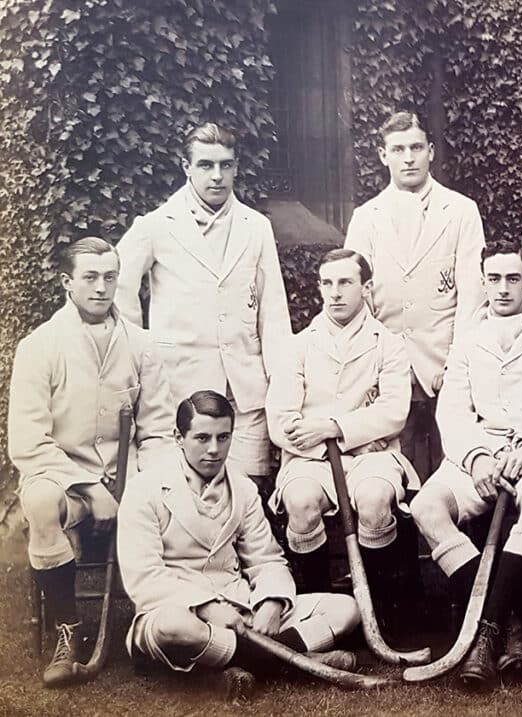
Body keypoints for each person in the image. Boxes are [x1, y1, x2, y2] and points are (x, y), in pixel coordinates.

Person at [411, 240, 522, 688]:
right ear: (483, 282)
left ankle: (483, 637)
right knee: (425, 508)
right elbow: (451, 412)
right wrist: (477, 456)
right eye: (494, 279)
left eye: (513, 278)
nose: (503, 288)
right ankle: (509, 627)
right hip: (480, 454)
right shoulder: (467, 341)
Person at [118, 391, 361, 702]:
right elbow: (144, 578)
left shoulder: (242, 487)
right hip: (178, 608)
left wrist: (272, 603)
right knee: (173, 626)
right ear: (178, 437)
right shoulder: (144, 489)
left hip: (239, 608)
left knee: (346, 609)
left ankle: (229, 666)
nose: (214, 449)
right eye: (202, 438)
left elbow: (266, 559)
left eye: (223, 437)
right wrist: (206, 607)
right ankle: (297, 663)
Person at [8, 237, 175, 687]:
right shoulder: (39, 346)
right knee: (41, 503)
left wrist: (145, 484)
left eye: (110, 277)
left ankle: (165, 627)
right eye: (90, 277)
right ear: (68, 283)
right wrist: (88, 486)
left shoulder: (142, 344)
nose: (101, 287)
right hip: (65, 478)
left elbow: (158, 429)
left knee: (173, 495)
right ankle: (68, 631)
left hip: (131, 476)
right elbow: (28, 442)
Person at [114, 122, 291, 485]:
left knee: (248, 491)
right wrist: (141, 353)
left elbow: (273, 309)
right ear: (186, 167)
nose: (217, 176)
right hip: (181, 385)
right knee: (184, 493)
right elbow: (119, 283)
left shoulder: (256, 226)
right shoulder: (157, 225)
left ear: (236, 167)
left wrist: (281, 379)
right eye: (206, 165)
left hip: (244, 388)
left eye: (226, 165)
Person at [266, 248, 416, 603]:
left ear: (366, 287)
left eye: (346, 282)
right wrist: (343, 438)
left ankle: (379, 608)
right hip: (310, 458)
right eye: (328, 283)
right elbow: (282, 422)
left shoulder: (389, 344)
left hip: (373, 458)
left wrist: (334, 428)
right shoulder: (297, 346)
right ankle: (321, 606)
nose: (335, 292)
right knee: (300, 502)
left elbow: (394, 410)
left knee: (375, 499)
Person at [345, 111, 486, 477]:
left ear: (431, 151)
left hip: (444, 366)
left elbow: (472, 295)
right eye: (398, 149)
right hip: (389, 373)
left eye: (416, 147)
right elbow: (358, 300)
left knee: (452, 472)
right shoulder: (366, 217)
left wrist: (456, 363)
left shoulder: (461, 210)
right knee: (392, 475)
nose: (408, 157)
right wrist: (373, 368)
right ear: (382, 155)